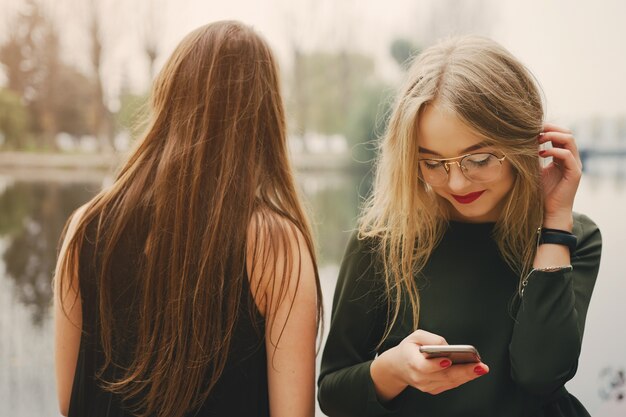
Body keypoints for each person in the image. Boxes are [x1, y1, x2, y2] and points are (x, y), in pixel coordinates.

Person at [318, 35, 602, 417]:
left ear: (523, 144)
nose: (456, 183)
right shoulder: (380, 241)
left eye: (480, 158)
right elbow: (333, 395)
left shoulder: (573, 236)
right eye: (432, 163)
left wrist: (553, 223)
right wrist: (393, 369)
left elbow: (542, 375)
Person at [54, 21, 322, 417]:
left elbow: (68, 401)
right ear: (265, 117)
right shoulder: (275, 244)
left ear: (167, 99)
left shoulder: (85, 226)